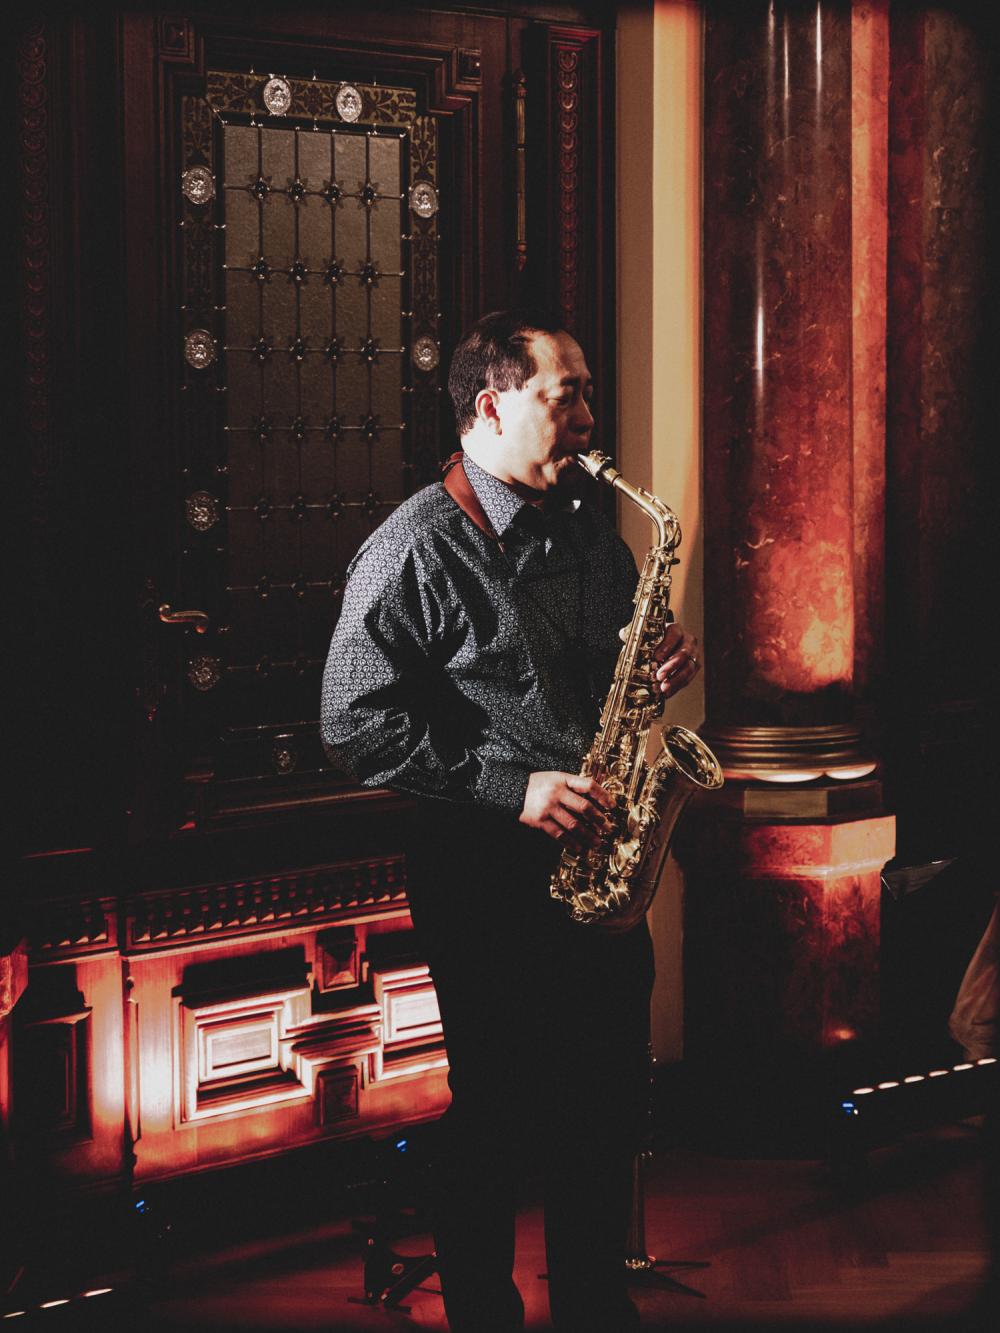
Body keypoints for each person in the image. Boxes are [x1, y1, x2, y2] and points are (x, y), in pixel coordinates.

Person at [321, 309, 701, 1332]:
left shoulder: (583, 524)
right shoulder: (413, 546)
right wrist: (512, 788)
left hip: (596, 858)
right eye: (564, 395)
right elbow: (350, 722)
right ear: (490, 407)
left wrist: (661, 658)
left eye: (586, 394)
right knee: (495, 1113)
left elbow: (617, 658)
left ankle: (592, 1306)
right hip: (482, 867)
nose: (587, 416)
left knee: (603, 1107)